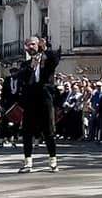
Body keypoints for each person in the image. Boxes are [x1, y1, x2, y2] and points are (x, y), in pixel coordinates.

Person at [9, 34, 64, 173]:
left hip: (45, 99)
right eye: (29, 45)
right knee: (27, 132)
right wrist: (31, 67)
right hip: (30, 101)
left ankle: (53, 162)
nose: (31, 47)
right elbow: (21, 77)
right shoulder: (25, 64)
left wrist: (46, 48)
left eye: (33, 44)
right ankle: (28, 163)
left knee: (49, 131)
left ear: (38, 45)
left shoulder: (47, 58)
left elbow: (56, 59)